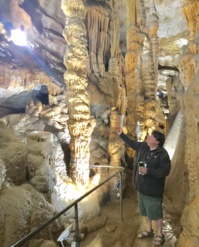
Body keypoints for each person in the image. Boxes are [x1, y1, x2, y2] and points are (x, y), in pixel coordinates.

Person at [117, 127, 171, 246]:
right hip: (141, 188)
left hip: (153, 190)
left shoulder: (162, 154)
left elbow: (165, 171)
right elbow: (132, 143)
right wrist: (121, 134)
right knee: (145, 212)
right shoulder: (143, 147)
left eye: (152, 137)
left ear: (157, 142)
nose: (149, 137)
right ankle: (148, 230)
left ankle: (160, 234)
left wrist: (149, 171)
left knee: (156, 213)